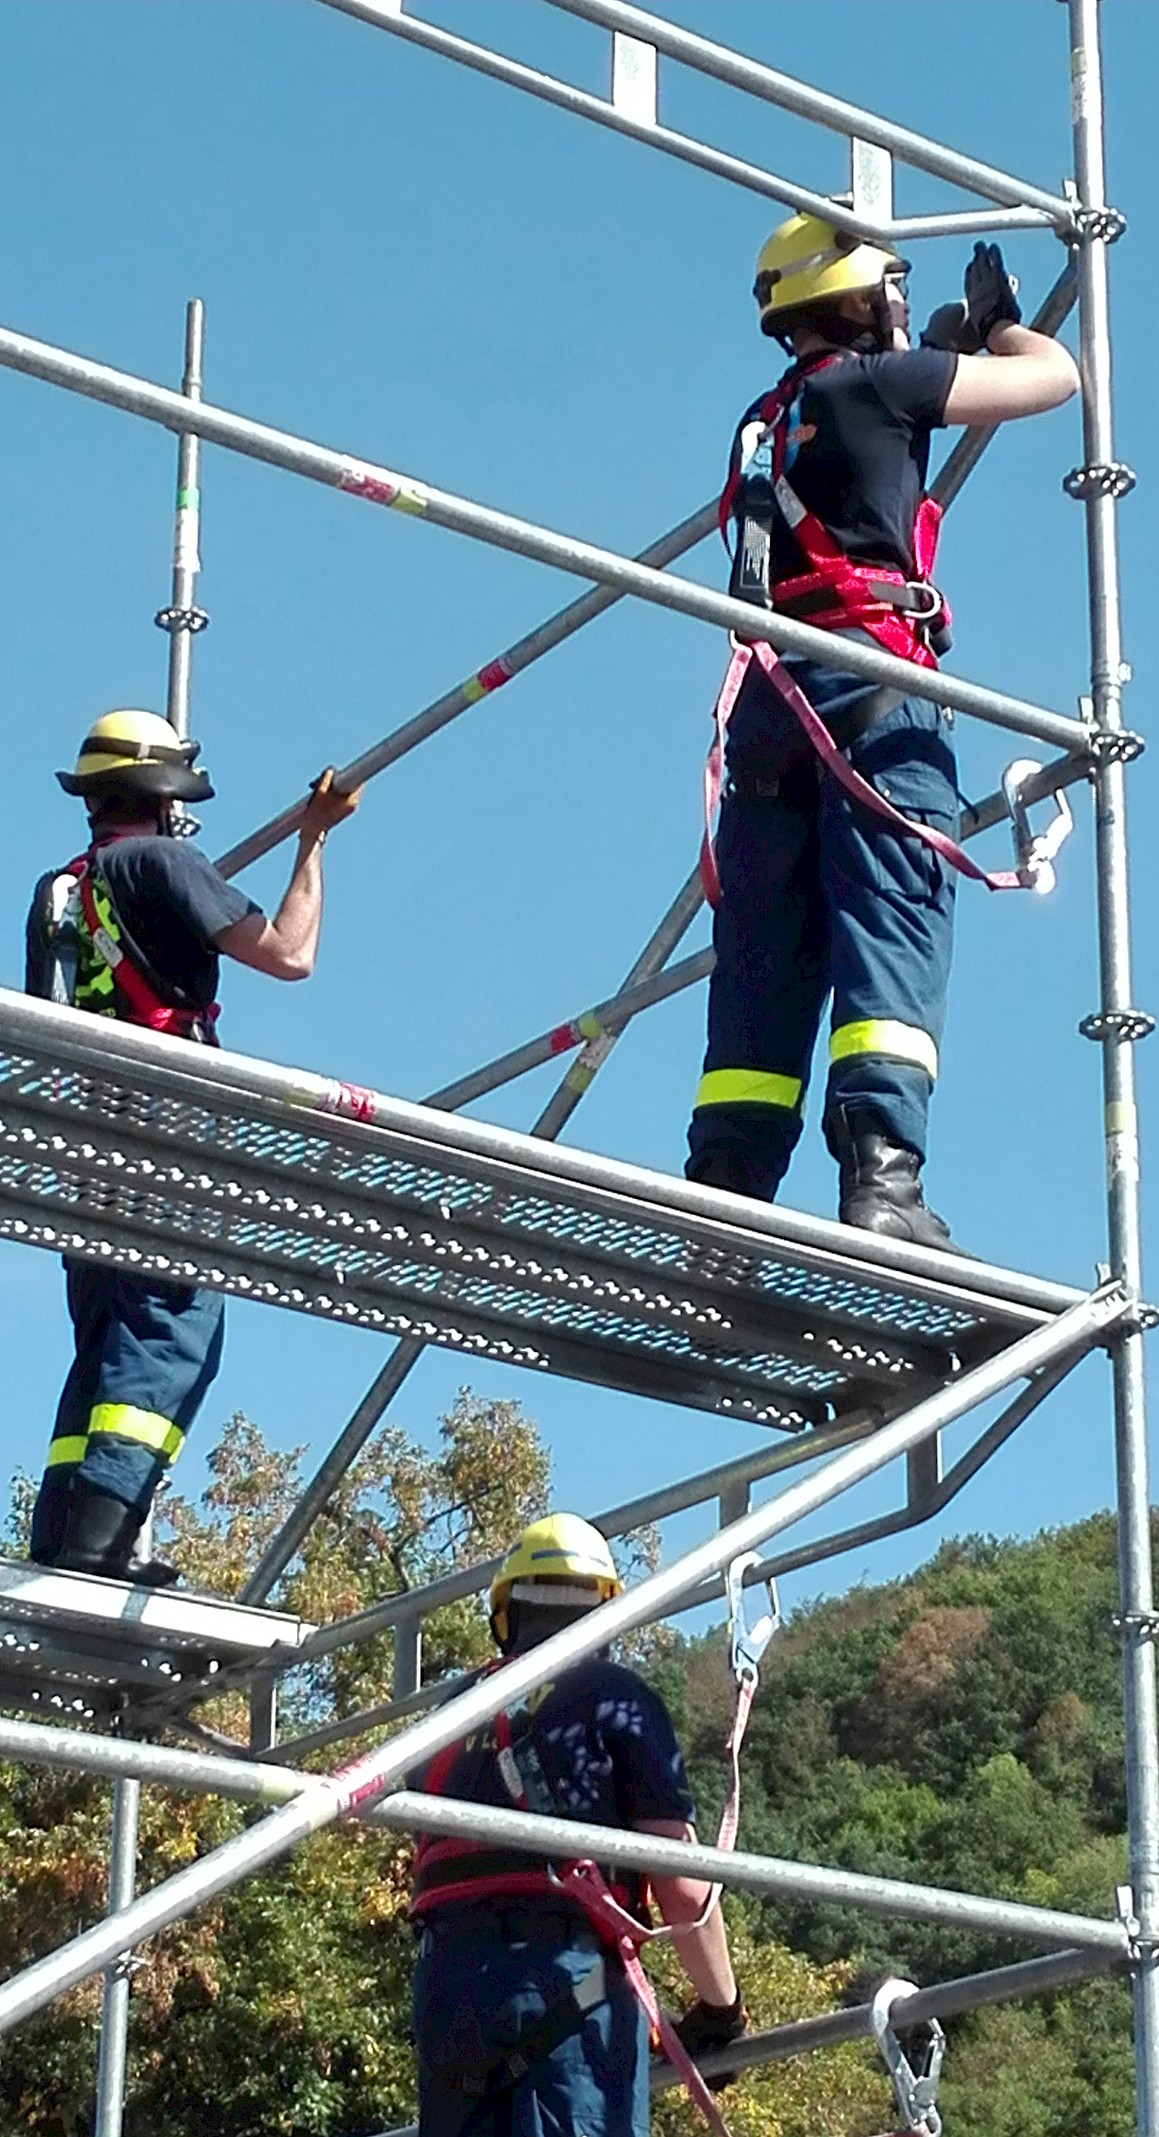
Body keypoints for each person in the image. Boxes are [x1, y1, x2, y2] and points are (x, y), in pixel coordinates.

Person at [684, 222, 1080, 1246]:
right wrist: (996, 325)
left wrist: (935, 331)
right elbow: (1051, 378)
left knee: (766, 958)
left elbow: (892, 393)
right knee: (889, 931)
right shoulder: (882, 387)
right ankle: (883, 1186)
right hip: (870, 695)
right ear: (857, 297)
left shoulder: (768, 418)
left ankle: (725, 1197)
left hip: (773, 711)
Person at [25, 707, 361, 1585]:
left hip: (79, 1146)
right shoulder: (165, 863)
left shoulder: (59, 891)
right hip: (161, 1132)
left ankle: (62, 1537)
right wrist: (313, 842)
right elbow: (289, 954)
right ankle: (102, 1543)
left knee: (105, 1344)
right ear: (161, 794)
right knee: (173, 1330)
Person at [409, 1512, 746, 2136]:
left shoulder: (449, 1718)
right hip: (565, 1981)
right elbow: (684, 1885)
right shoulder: (614, 1698)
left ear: (505, 1613)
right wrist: (721, 2011)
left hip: (446, 1989)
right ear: (606, 1613)